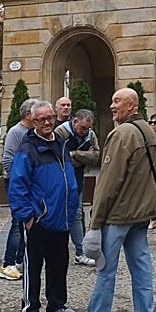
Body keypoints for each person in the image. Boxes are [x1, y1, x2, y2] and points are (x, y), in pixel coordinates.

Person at [84, 87, 156, 312]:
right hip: (142, 213)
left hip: (119, 215)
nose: (111, 105)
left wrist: (95, 222)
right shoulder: (149, 130)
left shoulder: (121, 134)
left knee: (106, 270)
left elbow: (108, 182)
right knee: (142, 267)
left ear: (131, 106)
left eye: (117, 101)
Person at [10, 100, 79, 312]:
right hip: (39, 219)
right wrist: (28, 217)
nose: (47, 122)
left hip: (61, 217)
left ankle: (56, 305)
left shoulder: (61, 143)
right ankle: (29, 310)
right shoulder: (28, 149)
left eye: (50, 117)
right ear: (33, 121)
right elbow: (18, 185)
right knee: (33, 266)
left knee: (59, 263)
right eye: (42, 119)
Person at [0, 98, 39, 281]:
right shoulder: (16, 132)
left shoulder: (33, 132)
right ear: (28, 114)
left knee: (27, 222)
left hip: (30, 183)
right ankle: (8, 263)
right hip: (16, 183)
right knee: (17, 222)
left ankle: (19, 259)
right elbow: (7, 161)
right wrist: (22, 178)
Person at [56, 108, 100, 266]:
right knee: (58, 214)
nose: (85, 131)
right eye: (82, 128)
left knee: (76, 214)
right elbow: (60, 157)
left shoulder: (90, 135)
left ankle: (80, 252)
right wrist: (81, 156)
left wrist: (75, 154)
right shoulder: (61, 132)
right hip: (60, 180)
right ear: (74, 122)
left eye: (87, 128)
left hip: (77, 179)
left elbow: (95, 157)